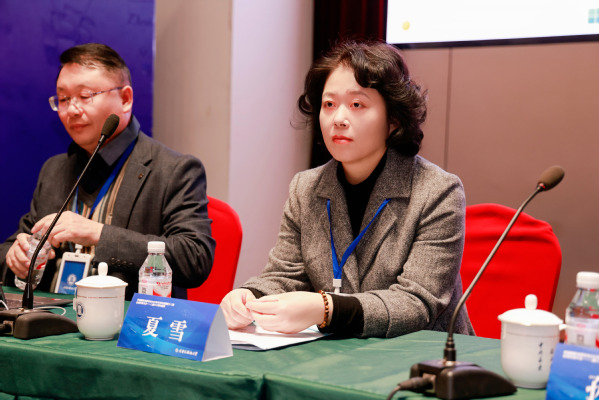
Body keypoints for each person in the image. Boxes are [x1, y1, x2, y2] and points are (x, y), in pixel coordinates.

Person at [220, 40, 474, 338]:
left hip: (424, 355)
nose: (338, 119)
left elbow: (417, 303)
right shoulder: (306, 188)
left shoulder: (437, 191)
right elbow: (284, 275)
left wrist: (327, 309)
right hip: (338, 350)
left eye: (357, 105)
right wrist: (249, 295)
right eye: (329, 105)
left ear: (393, 119)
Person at [0, 43, 215, 300]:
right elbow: (14, 244)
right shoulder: (55, 169)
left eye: (85, 96)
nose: (72, 110)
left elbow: (194, 257)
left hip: (127, 320)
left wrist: (98, 234)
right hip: (51, 316)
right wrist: (16, 256)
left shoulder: (173, 170)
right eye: (64, 99)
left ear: (125, 99)